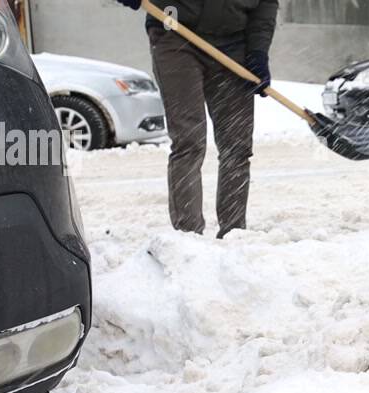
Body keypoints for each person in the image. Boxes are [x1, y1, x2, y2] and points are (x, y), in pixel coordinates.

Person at [114, 0, 278, 239]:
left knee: (237, 146)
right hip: (176, 35)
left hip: (234, 44)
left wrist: (258, 52)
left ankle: (234, 235)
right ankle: (188, 237)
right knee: (189, 141)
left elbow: (265, 5)